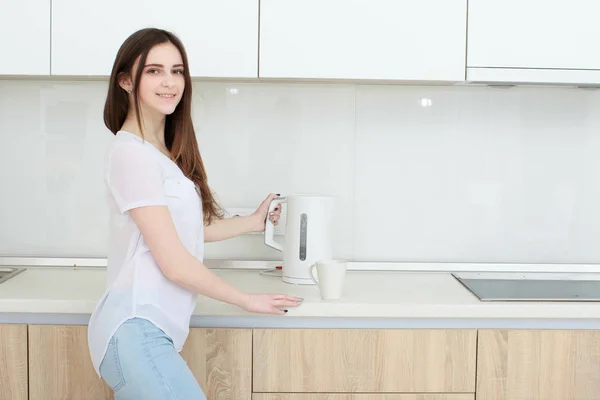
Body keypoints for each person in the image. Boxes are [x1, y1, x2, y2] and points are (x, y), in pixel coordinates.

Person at [87, 27, 303, 400]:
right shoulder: (131, 154)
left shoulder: (158, 154)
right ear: (125, 80)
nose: (170, 82)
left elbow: (187, 228)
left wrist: (251, 223)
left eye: (177, 70)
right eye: (154, 71)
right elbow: (174, 263)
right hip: (135, 329)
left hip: (147, 332)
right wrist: (245, 298)